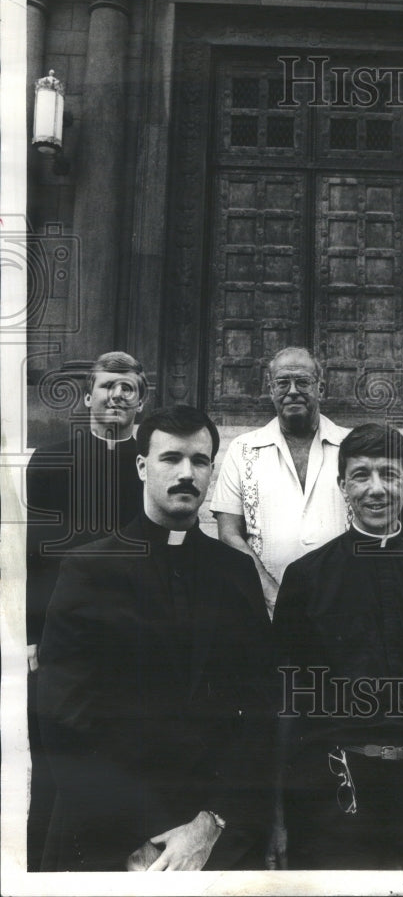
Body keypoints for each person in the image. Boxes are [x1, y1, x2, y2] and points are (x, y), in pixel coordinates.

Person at [38, 406, 274, 871]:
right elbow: (64, 718)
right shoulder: (89, 570)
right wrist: (141, 839)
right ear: (142, 465)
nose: (187, 473)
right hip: (106, 836)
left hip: (213, 837)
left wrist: (210, 823)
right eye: (171, 458)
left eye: (200, 461)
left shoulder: (235, 572)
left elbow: (262, 708)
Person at [266, 423, 403, 871]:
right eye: (361, 475)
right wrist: (276, 813)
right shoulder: (306, 577)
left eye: (389, 474)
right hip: (327, 791)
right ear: (341, 485)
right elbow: (284, 702)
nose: (376, 489)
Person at [26, 350, 147, 870]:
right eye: (108, 387)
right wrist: (33, 636)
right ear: (87, 396)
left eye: (128, 388)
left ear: (141, 402)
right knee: (56, 762)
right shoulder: (52, 458)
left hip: (133, 635)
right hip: (63, 635)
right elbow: (36, 553)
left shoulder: (151, 462)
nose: (117, 396)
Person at [211, 347, 349, 615]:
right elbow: (228, 534)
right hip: (265, 607)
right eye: (283, 382)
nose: (293, 390)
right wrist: (274, 594)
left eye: (303, 382)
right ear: (271, 389)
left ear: (321, 389)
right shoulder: (242, 449)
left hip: (342, 606)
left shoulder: (351, 446)